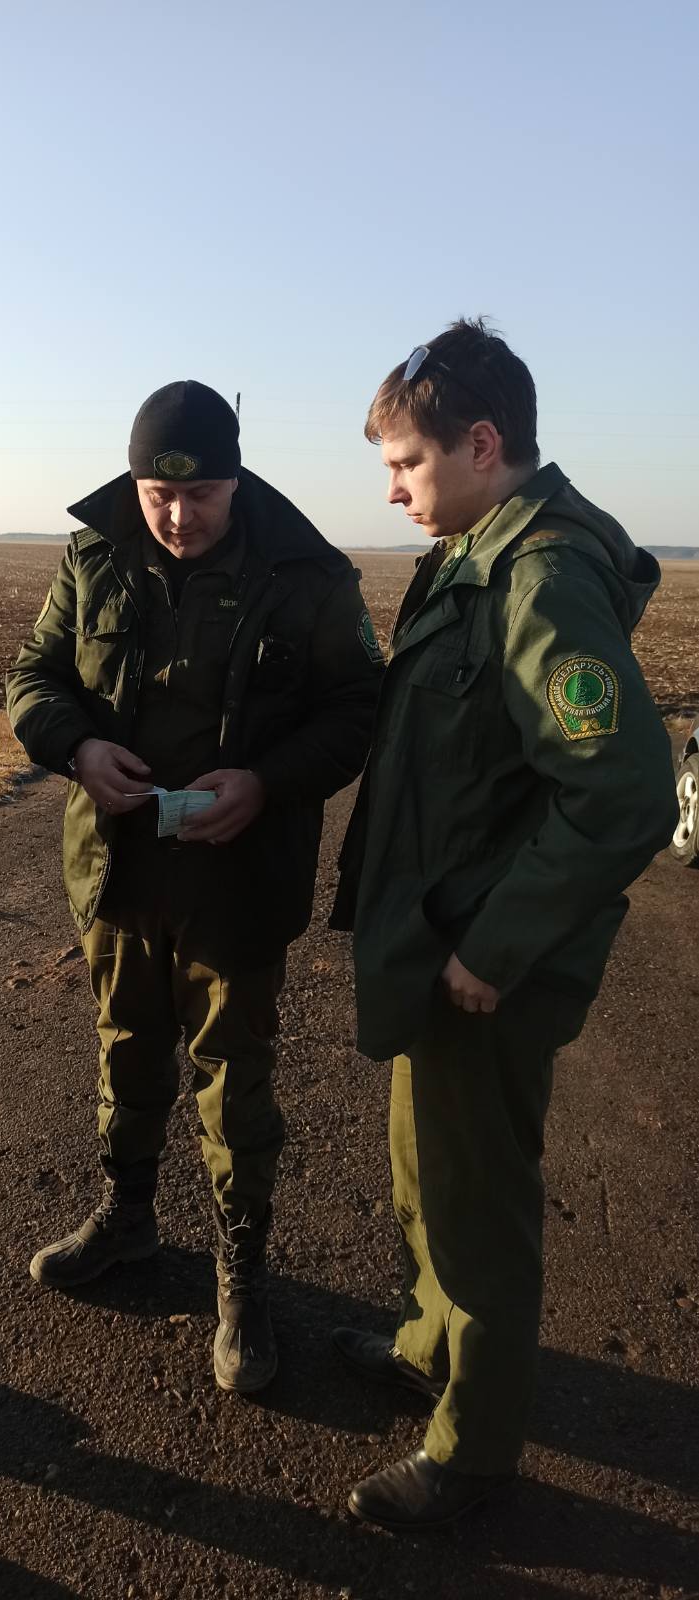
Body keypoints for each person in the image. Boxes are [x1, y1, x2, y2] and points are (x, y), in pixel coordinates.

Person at [330, 320, 677, 1530]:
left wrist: (496, 945)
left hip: (485, 960)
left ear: (482, 444)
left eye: (407, 464)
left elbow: (623, 793)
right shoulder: (476, 552)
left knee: (476, 1200)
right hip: (440, 939)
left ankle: (473, 1452)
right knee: (423, 1165)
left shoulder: (539, 576)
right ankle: (429, 1343)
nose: (393, 490)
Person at [6, 380, 382, 1393]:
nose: (176, 516)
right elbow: (34, 675)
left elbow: (357, 709)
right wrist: (77, 747)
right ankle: (127, 1216)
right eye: (156, 495)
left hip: (238, 877)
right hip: (120, 868)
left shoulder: (308, 576)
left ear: (235, 478)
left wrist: (266, 782)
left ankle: (240, 1271)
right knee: (125, 1049)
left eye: (200, 495)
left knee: (233, 1077)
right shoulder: (92, 557)